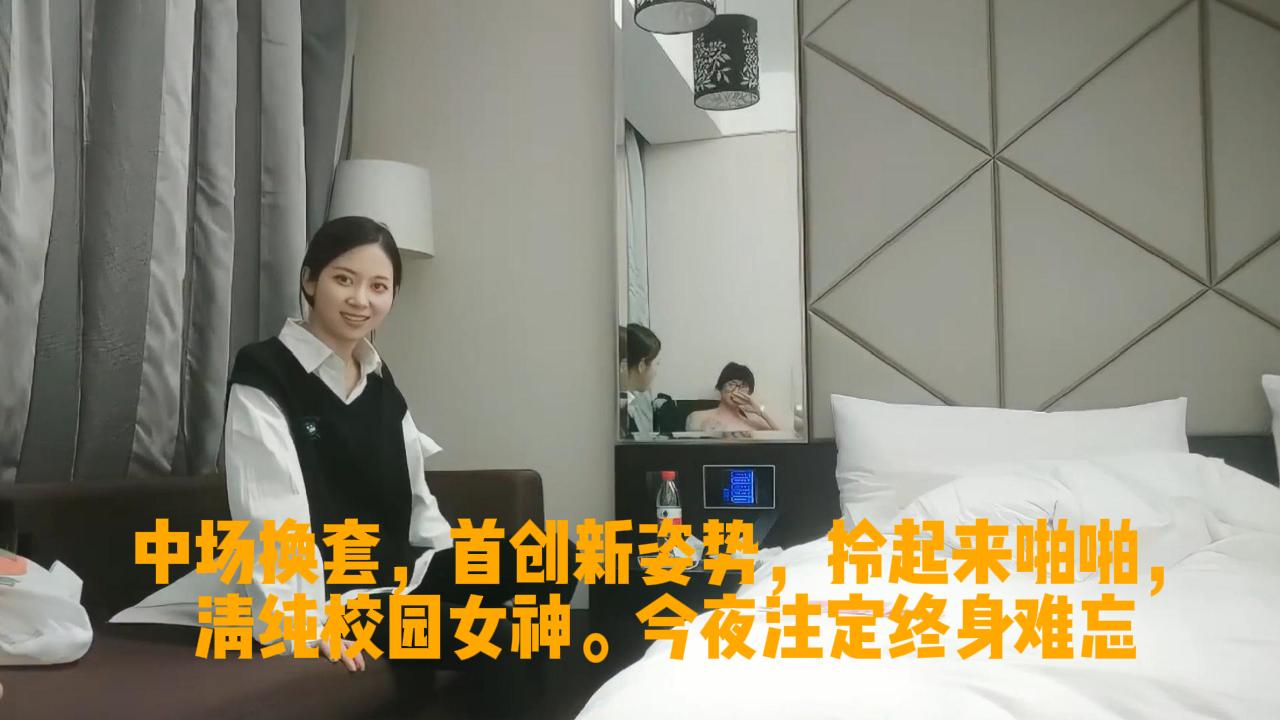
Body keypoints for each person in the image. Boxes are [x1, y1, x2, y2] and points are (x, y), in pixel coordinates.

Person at [222, 217, 575, 713]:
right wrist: (302, 624)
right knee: (498, 638)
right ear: (310, 280)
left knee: (557, 557)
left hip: (403, 575)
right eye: (343, 279)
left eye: (378, 286)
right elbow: (269, 515)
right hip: (339, 602)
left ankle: (520, 690)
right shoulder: (264, 371)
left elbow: (417, 498)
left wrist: (458, 569)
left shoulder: (379, 382)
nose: (360, 299)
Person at [685, 362, 780, 434]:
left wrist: (761, 413)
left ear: (749, 393)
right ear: (720, 388)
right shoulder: (698, 417)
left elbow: (782, 441)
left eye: (743, 386)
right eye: (731, 384)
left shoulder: (753, 423)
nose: (736, 391)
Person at [618, 323, 661, 437]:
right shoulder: (617, 411)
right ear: (641, 365)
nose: (656, 372)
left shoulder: (625, 405)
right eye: (657, 363)